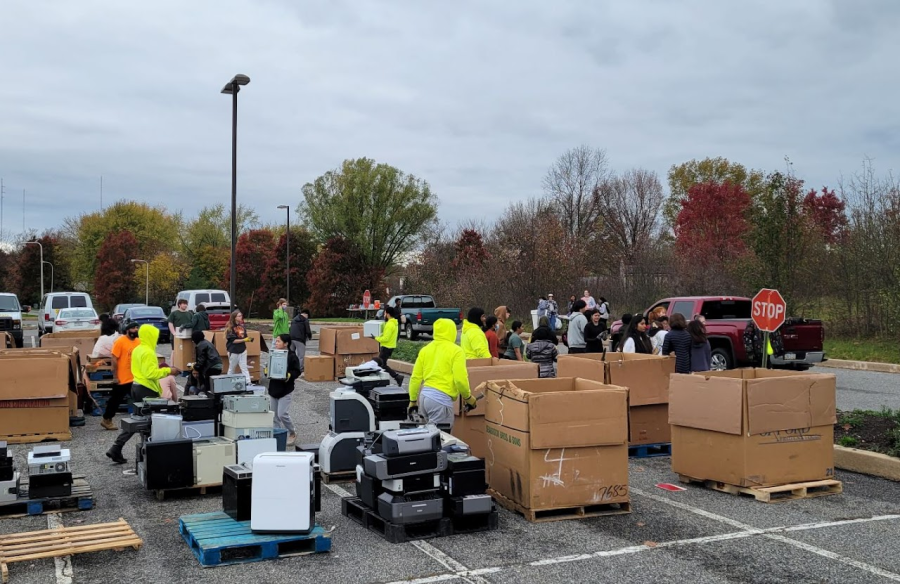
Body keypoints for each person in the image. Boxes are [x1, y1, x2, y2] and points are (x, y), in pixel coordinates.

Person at [106, 324, 181, 463]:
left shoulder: (138, 349)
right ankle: (150, 452)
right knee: (152, 422)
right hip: (146, 389)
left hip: (136, 385)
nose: (156, 338)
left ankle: (117, 448)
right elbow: (150, 373)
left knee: (138, 420)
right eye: (155, 336)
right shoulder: (148, 352)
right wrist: (169, 370)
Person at [408, 318, 476, 431]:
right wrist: (468, 397)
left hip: (424, 397)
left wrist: (413, 400)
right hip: (440, 400)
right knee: (442, 439)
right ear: (452, 331)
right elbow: (460, 380)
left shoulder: (425, 350)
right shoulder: (456, 351)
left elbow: (415, 377)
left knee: (429, 438)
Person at [99, 321, 140, 431]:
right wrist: (115, 376)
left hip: (135, 376)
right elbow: (114, 359)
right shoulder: (120, 341)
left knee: (138, 398)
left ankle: (141, 419)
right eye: (133, 328)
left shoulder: (138, 342)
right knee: (115, 399)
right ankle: (107, 419)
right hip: (122, 378)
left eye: (137, 328)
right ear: (127, 330)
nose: (136, 330)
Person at [268, 333, 301, 444]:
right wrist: (267, 370)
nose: (276, 343)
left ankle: (292, 432)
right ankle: (278, 435)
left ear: (286, 343)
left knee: (282, 414)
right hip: (273, 388)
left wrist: (289, 375)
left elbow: (297, 371)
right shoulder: (273, 354)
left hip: (286, 389)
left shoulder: (292, 356)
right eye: (276, 341)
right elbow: (268, 366)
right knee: (274, 415)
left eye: (278, 341)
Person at [373, 305, 404, 385]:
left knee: (381, 364)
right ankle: (395, 377)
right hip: (390, 346)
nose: (384, 315)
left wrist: (375, 338)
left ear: (388, 314)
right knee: (382, 364)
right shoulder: (394, 323)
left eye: (385, 313)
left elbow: (385, 338)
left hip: (386, 347)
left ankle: (396, 377)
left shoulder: (390, 325)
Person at [189, 329, 222, 394]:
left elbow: (201, 360)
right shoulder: (206, 342)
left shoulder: (201, 345)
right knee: (213, 385)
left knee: (208, 386)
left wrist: (195, 366)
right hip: (216, 365)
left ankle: (207, 398)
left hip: (212, 366)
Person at [225, 309, 253, 382]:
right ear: (235, 317)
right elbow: (233, 341)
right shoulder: (230, 328)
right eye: (239, 316)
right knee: (232, 368)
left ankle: (248, 382)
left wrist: (248, 339)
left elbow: (244, 336)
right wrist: (244, 340)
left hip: (242, 349)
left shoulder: (242, 326)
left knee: (244, 367)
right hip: (233, 350)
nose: (241, 317)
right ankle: (228, 382)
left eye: (241, 315)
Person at [289, 307, 312, 374]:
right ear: (306, 314)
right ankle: (300, 368)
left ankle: (290, 367)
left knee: (291, 354)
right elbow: (308, 330)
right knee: (301, 355)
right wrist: (309, 336)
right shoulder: (305, 320)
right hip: (299, 339)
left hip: (291, 338)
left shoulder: (294, 319)